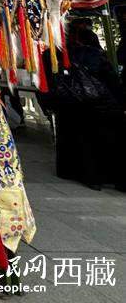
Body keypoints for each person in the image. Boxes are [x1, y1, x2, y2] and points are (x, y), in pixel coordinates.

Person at [45, 26, 126, 191]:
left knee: (80, 141)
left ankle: (87, 176)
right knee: (107, 141)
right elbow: (112, 80)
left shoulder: (50, 55)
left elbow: (46, 84)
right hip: (102, 103)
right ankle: (114, 178)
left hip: (69, 104)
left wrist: (49, 104)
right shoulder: (94, 54)